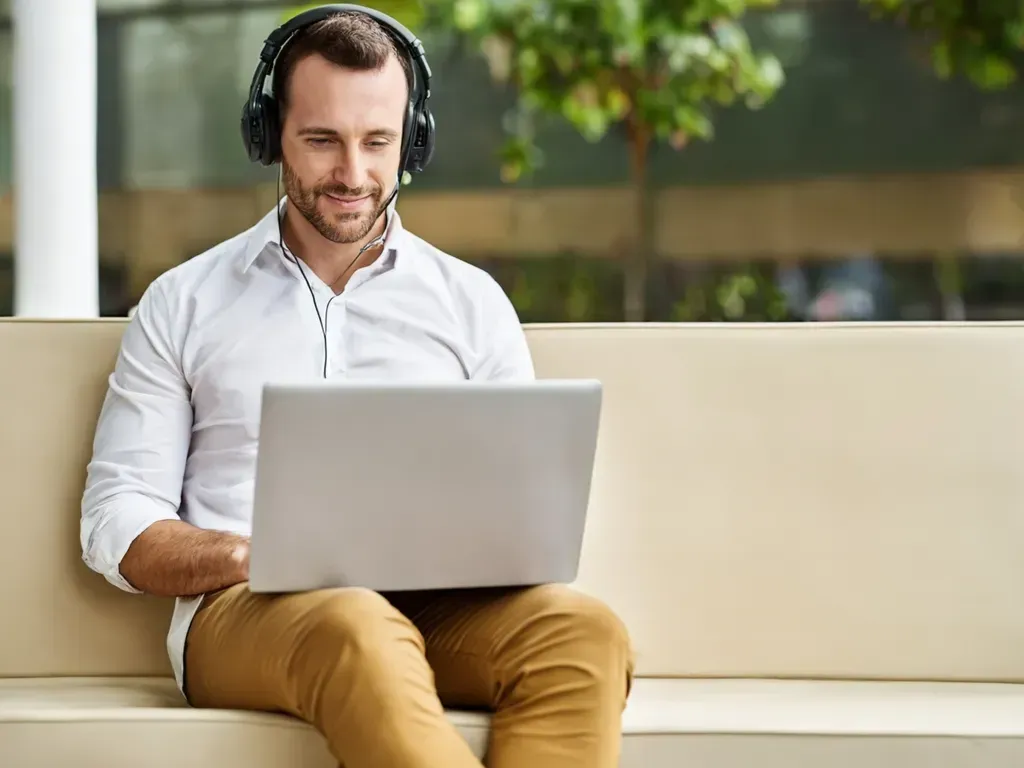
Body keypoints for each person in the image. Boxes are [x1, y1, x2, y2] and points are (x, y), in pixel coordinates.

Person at [80, 6, 633, 768]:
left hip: (441, 610)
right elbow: (118, 521)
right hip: (249, 616)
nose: (352, 174)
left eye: (378, 142)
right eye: (321, 140)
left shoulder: (470, 303)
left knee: (584, 631)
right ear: (269, 132)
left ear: (412, 139)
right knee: (354, 623)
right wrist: (251, 553)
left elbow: (527, 504)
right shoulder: (184, 303)